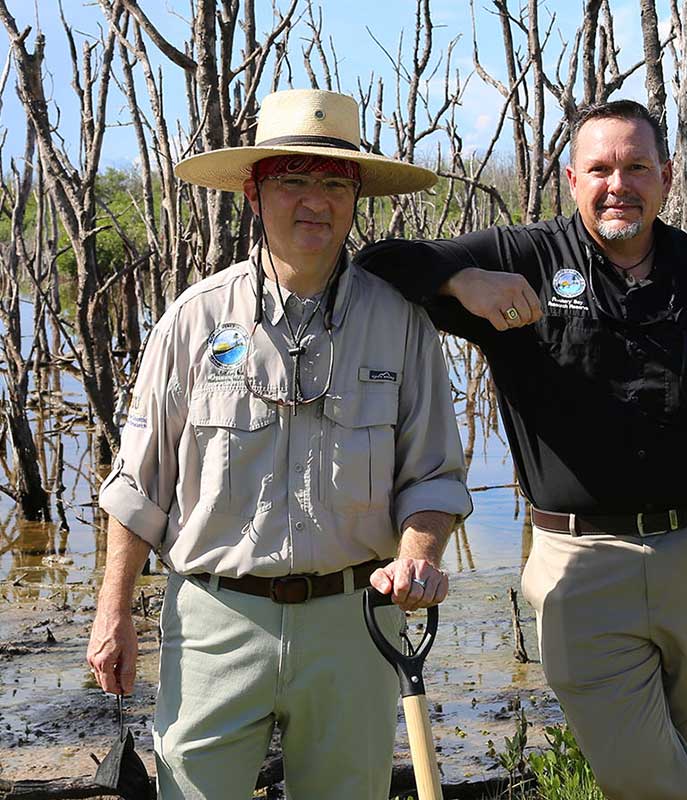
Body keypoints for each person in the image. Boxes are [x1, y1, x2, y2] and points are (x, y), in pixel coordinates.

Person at [356, 99, 687, 799]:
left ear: (666, 176)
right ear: (571, 180)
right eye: (599, 168)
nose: (617, 184)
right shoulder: (526, 257)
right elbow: (381, 262)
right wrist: (463, 281)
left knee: (683, 766)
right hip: (581, 568)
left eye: (635, 167)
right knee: (653, 782)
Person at [86, 88, 472, 800]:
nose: (314, 201)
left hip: (357, 625)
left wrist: (419, 556)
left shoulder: (402, 325)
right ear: (254, 194)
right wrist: (112, 613)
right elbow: (136, 488)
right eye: (292, 179)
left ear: (356, 198)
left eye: (333, 182)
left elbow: (434, 475)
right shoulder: (193, 321)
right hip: (214, 621)